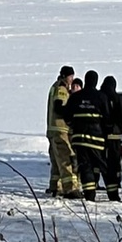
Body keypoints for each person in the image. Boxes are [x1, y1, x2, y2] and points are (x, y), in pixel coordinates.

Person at [63, 70, 111, 201]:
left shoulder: (75, 97)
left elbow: (66, 116)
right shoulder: (101, 97)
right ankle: (113, 193)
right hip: (97, 139)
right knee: (102, 165)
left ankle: (89, 194)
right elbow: (107, 119)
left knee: (85, 166)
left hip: (79, 139)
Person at [46, 66, 81, 198]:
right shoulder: (61, 88)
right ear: (66, 76)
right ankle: (70, 188)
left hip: (53, 129)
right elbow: (59, 107)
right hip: (60, 129)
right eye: (71, 77)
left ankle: (55, 186)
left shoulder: (54, 86)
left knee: (56, 160)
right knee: (65, 158)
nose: (72, 80)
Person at [99, 75, 122, 201]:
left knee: (101, 162)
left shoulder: (100, 97)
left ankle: (95, 184)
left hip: (101, 135)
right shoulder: (118, 98)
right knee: (114, 163)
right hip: (115, 137)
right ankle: (114, 190)